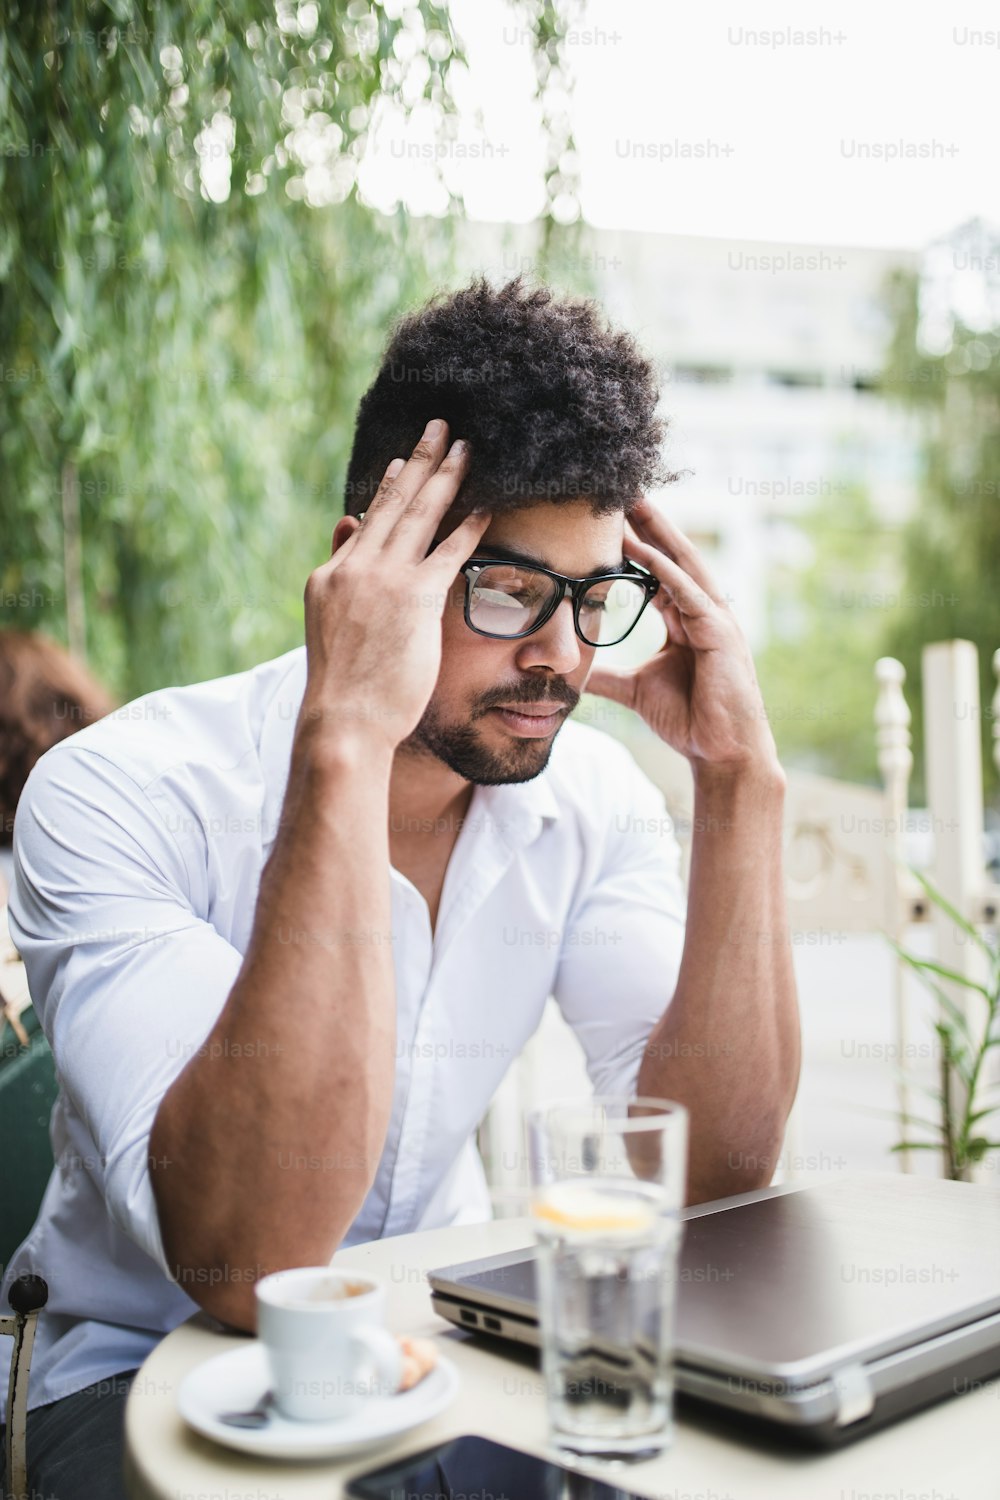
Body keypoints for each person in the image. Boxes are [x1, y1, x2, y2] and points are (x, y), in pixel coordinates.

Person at [1, 278, 800, 1499]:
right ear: (366, 575)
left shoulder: (592, 802)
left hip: (445, 1355)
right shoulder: (116, 793)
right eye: (508, 591)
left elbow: (705, 1182)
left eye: (593, 599)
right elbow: (248, 1263)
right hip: (132, 1378)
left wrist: (741, 782)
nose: (561, 658)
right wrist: (345, 742)